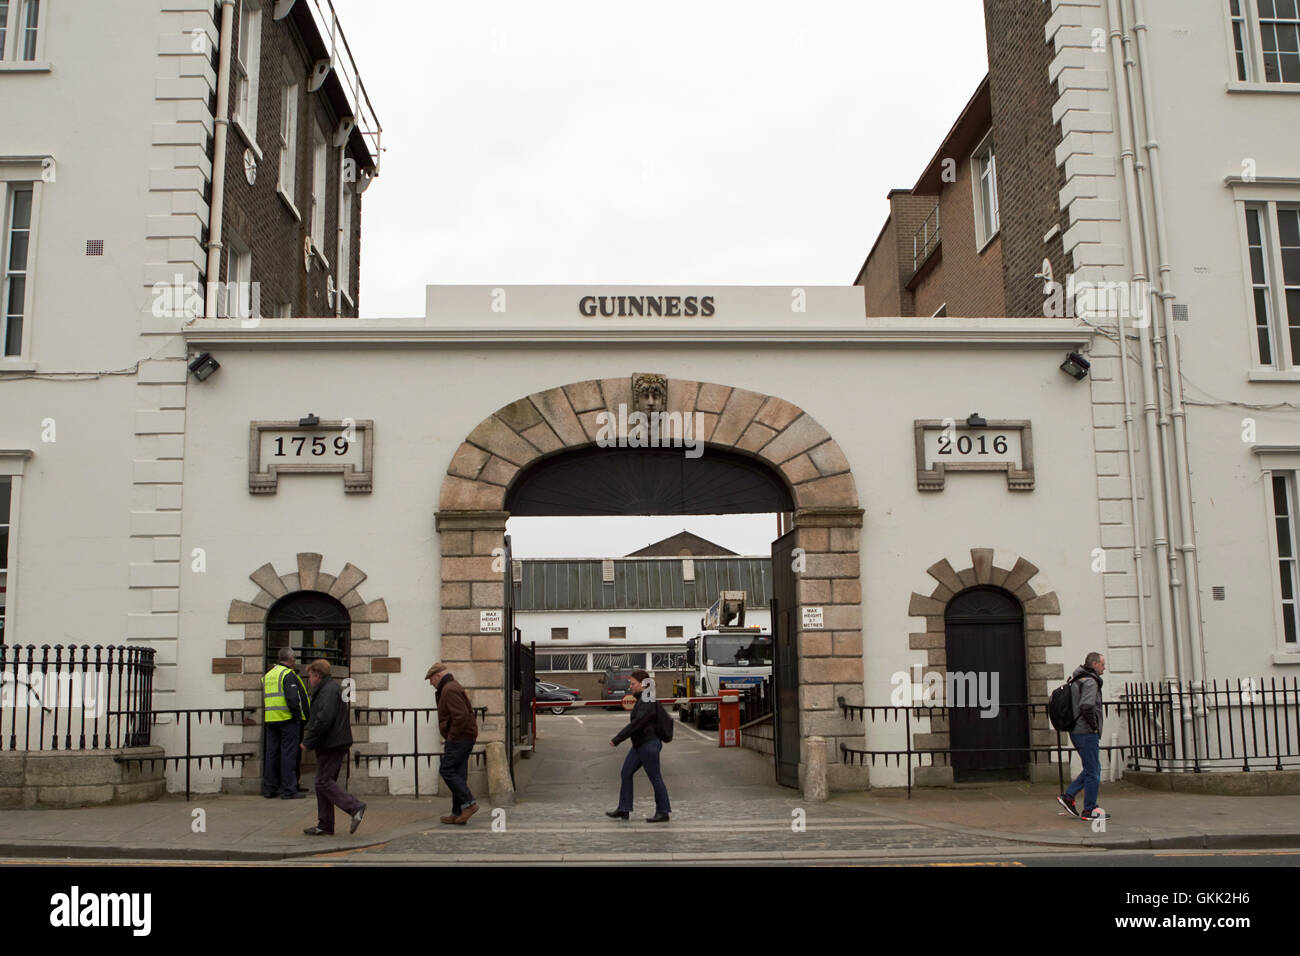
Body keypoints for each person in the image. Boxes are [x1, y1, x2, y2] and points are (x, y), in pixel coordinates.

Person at [300, 659, 366, 836]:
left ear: (317, 675)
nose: (310, 679)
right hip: (332, 742)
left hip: (332, 743)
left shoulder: (328, 691)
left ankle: (355, 807)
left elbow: (324, 718)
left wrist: (308, 740)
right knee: (323, 783)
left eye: (311, 676)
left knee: (322, 782)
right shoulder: (328, 689)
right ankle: (325, 825)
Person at [607, 669, 671, 823]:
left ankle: (663, 811)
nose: (630, 686)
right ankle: (624, 809)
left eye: (633, 683)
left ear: (643, 684)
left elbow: (638, 723)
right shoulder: (643, 698)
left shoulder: (648, 700)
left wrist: (618, 738)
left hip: (649, 744)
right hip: (640, 744)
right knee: (626, 773)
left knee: (655, 777)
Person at [426, 662, 480, 824]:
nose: (430, 683)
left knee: (447, 770)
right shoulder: (449, 687)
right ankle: (458, 812)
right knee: (458, 773)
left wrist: (452, 736)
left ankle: (469, 803)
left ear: (438, 676)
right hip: (464, 736)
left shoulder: (449, 689)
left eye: (431, 679)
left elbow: (461, 716)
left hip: (460, 738)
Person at [1057, 652, 1107, 822]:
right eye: (1102, 664)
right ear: (1094, 664)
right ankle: (1090, 809)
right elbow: (1086, 706)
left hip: (1076, 731)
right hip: (1085, 732)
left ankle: (1069, 796)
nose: (1104, 668)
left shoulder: (1078, 679)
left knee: (1089, 767)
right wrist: (1093, 726)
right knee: (1094, 771)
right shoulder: (1091, 681)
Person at [262, 647, 310, 799]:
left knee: (272, 754)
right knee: (288, 754)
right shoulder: (287, 674)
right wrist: (298, 716)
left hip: (271, 719)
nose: (294, 661)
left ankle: (270, 789)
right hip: (287, 719)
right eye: (294, 659)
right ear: (290, 659)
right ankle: (289, 789)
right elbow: (292, 699)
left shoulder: (269, 675)